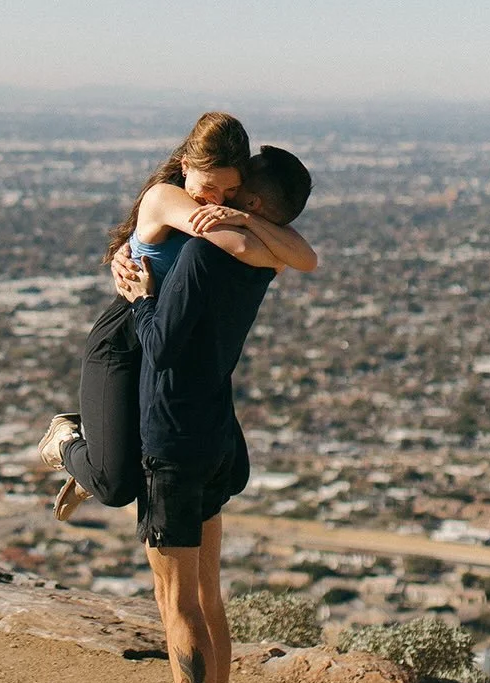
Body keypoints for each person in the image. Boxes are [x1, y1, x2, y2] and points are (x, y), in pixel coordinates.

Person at [114, 151, 313, 683]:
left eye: (233, 189)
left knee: (177, 606)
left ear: (250, 203)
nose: (215, 197)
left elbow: (163, 347)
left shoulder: (205, 255)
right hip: (217, 434)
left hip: (173, 437)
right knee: (206, 597)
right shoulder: (258, 257)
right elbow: (301, 253)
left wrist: (142, 297)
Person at [38, 114, 316, 521]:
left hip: (170, 332)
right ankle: (65, 440)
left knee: (219, 468)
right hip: (125, 338)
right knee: (116, 486)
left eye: (230, 190)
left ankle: (100, 445)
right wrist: (252, 230)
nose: (216, 201)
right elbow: (245, 248)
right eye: (208, 188)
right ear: (186, 167)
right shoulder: (164, 197)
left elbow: (305, 259)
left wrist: (245, 217)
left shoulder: (228, 212)